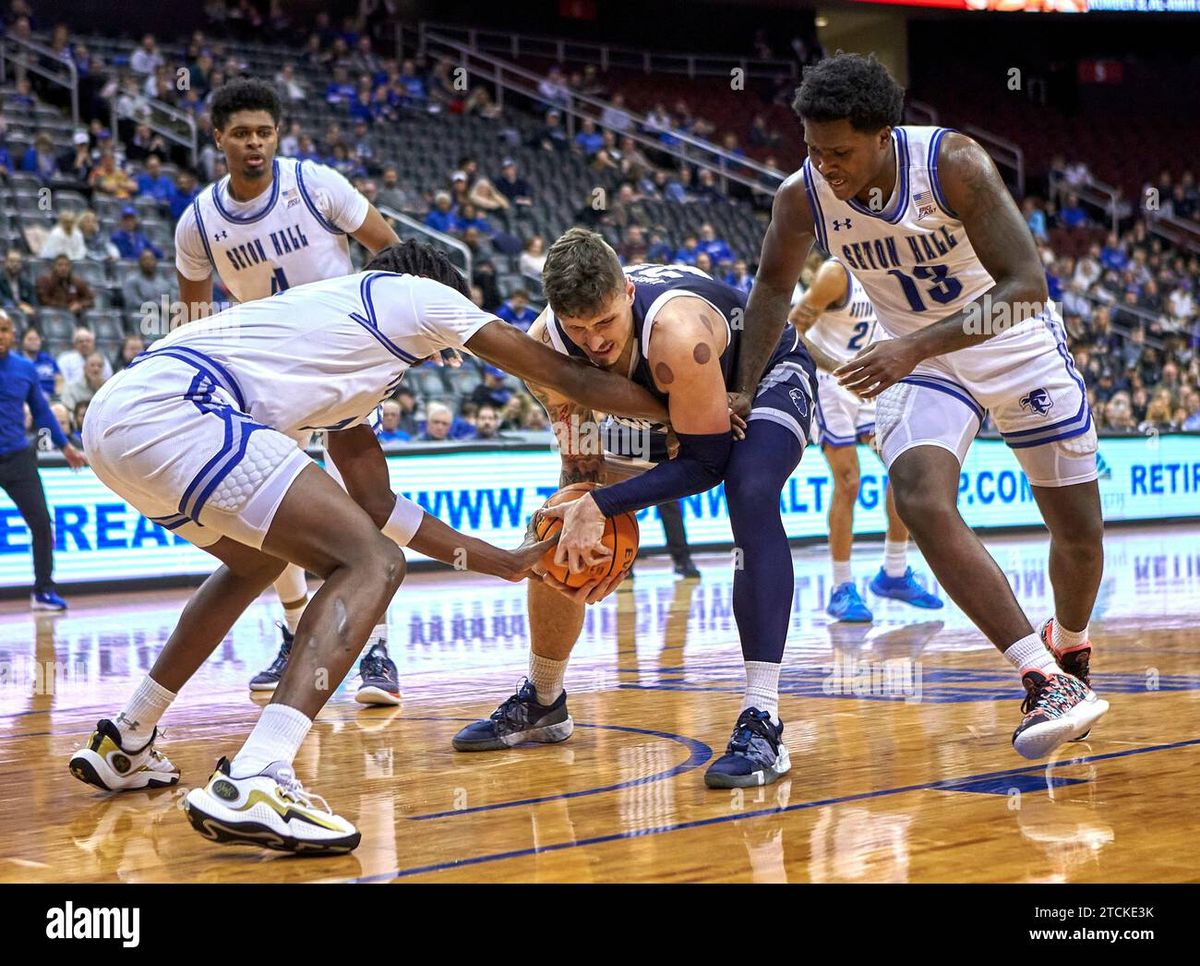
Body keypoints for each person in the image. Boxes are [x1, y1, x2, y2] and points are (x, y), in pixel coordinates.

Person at [68, 241, 667, 853]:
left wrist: (500, 561)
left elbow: (378, 505)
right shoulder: (418, 295)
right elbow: (563, 375)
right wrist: (686, 411)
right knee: (370, 564)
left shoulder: (345, 355)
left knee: (260, 560)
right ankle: (257, 776)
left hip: (114, 423)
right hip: (181, 408)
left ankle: (128, 735)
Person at [731, 53, 1108, 761]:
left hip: (1011, 341)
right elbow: (771, 293)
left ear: (884, 135)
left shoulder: (953, 164)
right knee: (920, 496)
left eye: (838, 151)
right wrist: (742, 389)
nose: (824, 165)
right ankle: (1039, 674)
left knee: (1080, 533)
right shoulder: (801, 196)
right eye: (812, 148)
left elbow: (1026, 285)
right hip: (916, 357)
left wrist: (912, 347)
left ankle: (1072, 646)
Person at [453, 230, 817, 791]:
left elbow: (705, 464)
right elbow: (581, 466)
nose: (593, 342)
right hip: (671, 404)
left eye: (604, 323)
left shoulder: (675, 334)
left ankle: (762, 718)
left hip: (761, 375)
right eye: (578, 329)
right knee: (561, 515)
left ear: (626, 292)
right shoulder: (544, 344)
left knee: (749, 489)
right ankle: (544, 697)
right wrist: (582, 508)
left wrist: (607, 501)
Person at [173, 79, 408, 702]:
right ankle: (295, 632)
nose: (254, 144)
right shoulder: (197, 221)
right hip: (263, 371)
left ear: (278, 134)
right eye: (242, 133)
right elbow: (195, 320)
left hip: (339, 363)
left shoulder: (316, 185)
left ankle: (377, 650)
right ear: (217, 136)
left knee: (359, 508)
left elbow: (393, 253)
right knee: (265, 512)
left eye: (264, 132)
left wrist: (387, 339)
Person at [791, 255, 942, 620]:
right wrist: (835, 368)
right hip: (832, 385)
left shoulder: (899, 270)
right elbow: (790, 330)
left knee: (906, 472)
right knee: (849, 483)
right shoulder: (835, 274)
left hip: (872, 385)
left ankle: (893, 572)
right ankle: (841, 587)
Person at [0, 310, 87, 611]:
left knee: (41, 523)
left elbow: (41, 412)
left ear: (13, 333)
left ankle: (43, 591)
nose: (1, 335)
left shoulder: (24, 368)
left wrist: (66, 447)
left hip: (17, 458)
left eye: (5, 329)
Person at [19, 327, 62, 399]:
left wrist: (56, 397)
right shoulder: (17, 360)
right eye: (30, 339)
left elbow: (59, 380)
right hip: (25, 400)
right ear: (22, 342)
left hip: (51, 399)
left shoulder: (48, 359)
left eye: (36, 339)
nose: (33, 342)